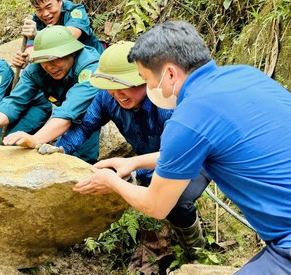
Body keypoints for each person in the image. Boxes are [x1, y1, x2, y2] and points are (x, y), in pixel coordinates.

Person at [74, 21, 291, 275]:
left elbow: (156, 205)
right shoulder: (245, 77)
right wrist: (134, 162)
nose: (147, 90)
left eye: (146, 80)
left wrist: (110, 181)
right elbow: (202, 144)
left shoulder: (188, 117)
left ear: (169, 73)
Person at [54, 41, 210, 254]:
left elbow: (173, 157)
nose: (118, 95)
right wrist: (59, 151)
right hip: (145, 160)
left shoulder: (166, 103)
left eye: (125, 86)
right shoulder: (106, 99)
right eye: (111, 88)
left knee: (176, 201)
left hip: (192, 159)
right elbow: (83, 127)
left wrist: (131, 176)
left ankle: (196, 248)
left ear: (145, 79)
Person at [0, 26, 100, 161]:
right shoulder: (36, 69)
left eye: (55, 59)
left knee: (82, 159)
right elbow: (16, 100)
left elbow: (69, 111)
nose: (50, 67)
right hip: (64, 111)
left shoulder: (89, 66)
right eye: (44, 61)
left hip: (92, 111)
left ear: (72, 52)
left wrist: (36, 139)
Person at [12, 0, 104, 69]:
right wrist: (26, 57)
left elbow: (68, 37)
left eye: (49, 7)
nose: (45, 14)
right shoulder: (36, 19)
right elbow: (32, 47)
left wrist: (38, 35)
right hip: (62, 66)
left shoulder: (75, 11)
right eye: (39, 9)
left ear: (60, 1)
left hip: (94, 62)